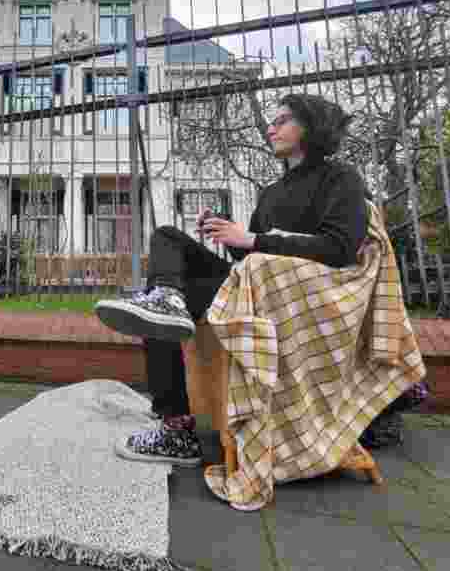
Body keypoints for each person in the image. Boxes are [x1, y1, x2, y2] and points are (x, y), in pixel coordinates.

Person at [94, 92, 368, 466]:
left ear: (312, 126)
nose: (271, 128)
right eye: (273, 121)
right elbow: (250, 256)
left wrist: (252, 239)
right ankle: (168, 305)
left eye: (282, 120)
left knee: (159, 303)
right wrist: (225, 232)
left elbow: (340, 249)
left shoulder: (341, 178)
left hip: (295, 297)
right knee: (166, 243)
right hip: (253, 283)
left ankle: (175, 423)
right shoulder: (272, 192)